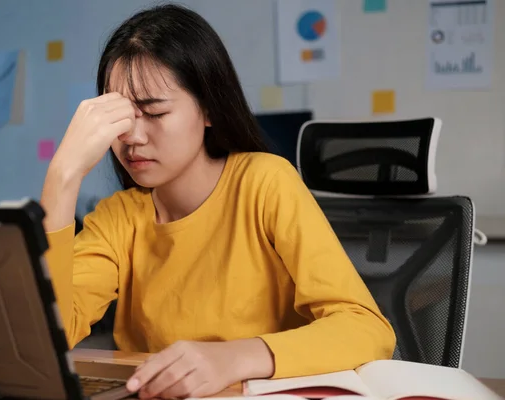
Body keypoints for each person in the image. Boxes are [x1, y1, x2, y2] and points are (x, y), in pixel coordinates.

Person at [41, 3, 396, 399]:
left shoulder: (265, 182)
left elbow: (366, 328)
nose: (132, 136)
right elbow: (46, 337)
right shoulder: (118, 218)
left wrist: (234, 358)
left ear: (209, 108)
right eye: (121, 117)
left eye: (154, 111)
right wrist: (63, 176)